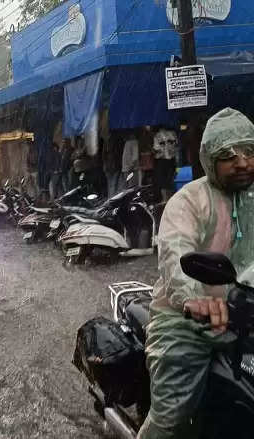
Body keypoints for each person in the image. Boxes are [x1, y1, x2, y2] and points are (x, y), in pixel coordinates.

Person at [138, 108, 254, 439]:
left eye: (249, 152)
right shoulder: (190, 200)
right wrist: (194, 298)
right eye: (229, 155)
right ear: (209, 159)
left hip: (249, 318)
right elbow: (175, 251)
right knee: (171, 415)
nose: (242, 162)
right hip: (188, 321)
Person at [153, 128, 178, 202]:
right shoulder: (173, 133)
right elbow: (176, 144)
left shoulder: (157, 135)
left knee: (163, 181)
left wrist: (163, 146)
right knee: (170, 180)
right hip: (171, 160)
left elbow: (156, 148)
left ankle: (165, 200)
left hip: (162, 160)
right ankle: (170, 198)